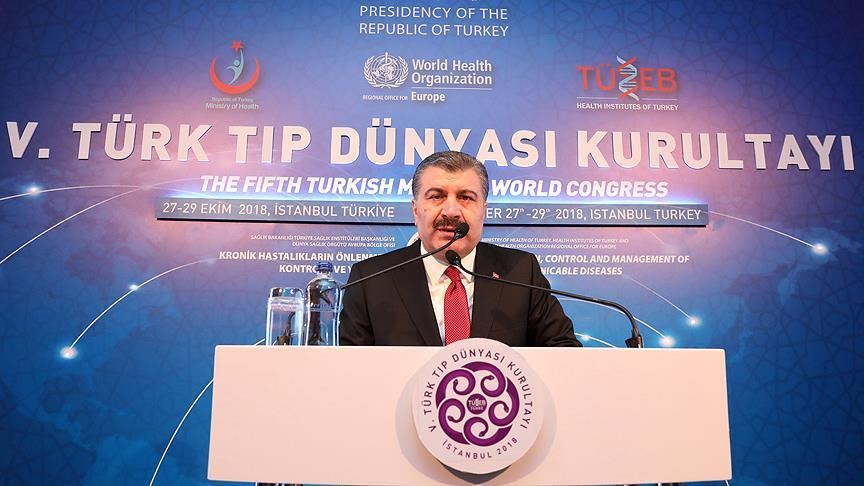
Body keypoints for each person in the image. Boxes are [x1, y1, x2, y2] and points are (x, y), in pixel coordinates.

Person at [339, 151, 582, 347]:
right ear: (415, 209)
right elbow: (350, 372)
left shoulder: (520, 273)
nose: (452, 211)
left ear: (483, 210)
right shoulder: (370, 280)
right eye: (436, 196)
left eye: (466, 197)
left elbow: (564, 353)